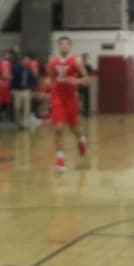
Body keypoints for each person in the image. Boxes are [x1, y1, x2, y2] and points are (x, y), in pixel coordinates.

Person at [48, 36, 89, 171]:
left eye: (66, 44)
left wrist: (77, 81)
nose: (64, 46)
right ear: (59, 47)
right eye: (61, 44)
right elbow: (50, 78)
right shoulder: (53, 62)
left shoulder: (76, 61)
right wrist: (48, 85)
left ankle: (81, 140)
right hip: (57, 97)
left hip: (71, 98)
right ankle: (60, 159)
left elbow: (87, 80)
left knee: (73, 127)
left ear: (70, 47)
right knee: (58, 128)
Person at [11, 55, 37, 129]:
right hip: (17, 90)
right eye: (25, 60)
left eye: (27, 60)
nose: (26, 62)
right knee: (17, 107)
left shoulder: (29, 70)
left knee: (26, 107)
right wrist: (12, 89)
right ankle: (18, 122)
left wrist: (33, 90)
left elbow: (33, 80)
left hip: (26, 90)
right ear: (22, 60)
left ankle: (25, 123)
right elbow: (12, 80)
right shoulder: (16, 69)